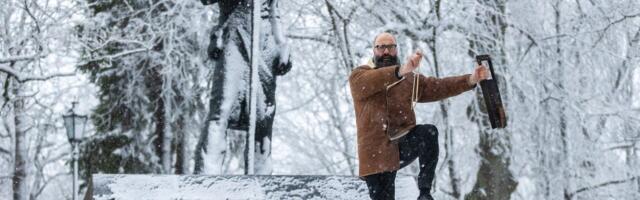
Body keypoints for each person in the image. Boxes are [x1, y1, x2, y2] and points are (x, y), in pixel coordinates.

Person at [348, 32, 490, 200]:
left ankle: (424, 193)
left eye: (391, 47)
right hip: (376, 156)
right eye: (381, 47)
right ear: (373, 51)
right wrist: (400, 71)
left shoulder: (410, 81)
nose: (386, 51)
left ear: (396, 50)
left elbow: (439, 86)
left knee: (428, 133)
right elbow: (372, 81)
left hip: (401, 146)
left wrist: (471, 79)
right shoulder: (360, 76)